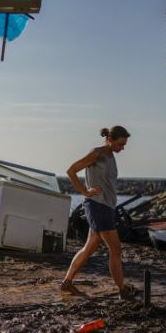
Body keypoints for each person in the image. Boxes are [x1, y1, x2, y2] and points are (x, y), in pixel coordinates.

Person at [60, 125, 134, 301]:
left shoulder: (111, 156)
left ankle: (67, 282)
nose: (122, 148)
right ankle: (122, 292)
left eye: (124, 145)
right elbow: (71, 170)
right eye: (120, 144)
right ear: (110, 139)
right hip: (97, 206)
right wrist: (85, 192)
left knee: (90, 247)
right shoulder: (97, 154)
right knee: (115, 248)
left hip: (106, 208)